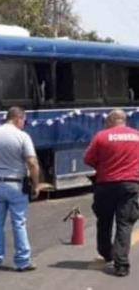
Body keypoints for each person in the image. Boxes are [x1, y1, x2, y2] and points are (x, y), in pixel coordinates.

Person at [0, 106, 41, 271]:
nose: (24, 124)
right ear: (18, 118)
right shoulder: (22, 136)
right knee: (19, 222)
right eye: (24, 121)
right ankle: (22, 261)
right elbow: (32, 163)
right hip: (15, 185)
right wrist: (36, 185)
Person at [84, 109, 139, 277]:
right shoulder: (137, 135)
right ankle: (121, 264)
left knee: (104, 221)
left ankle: (106, 253)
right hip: (130, 185)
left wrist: (103, 166)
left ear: (110, 120)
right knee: (125, 223)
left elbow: (88, 159)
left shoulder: (101, 136)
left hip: (105, 184)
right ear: (124, 120)